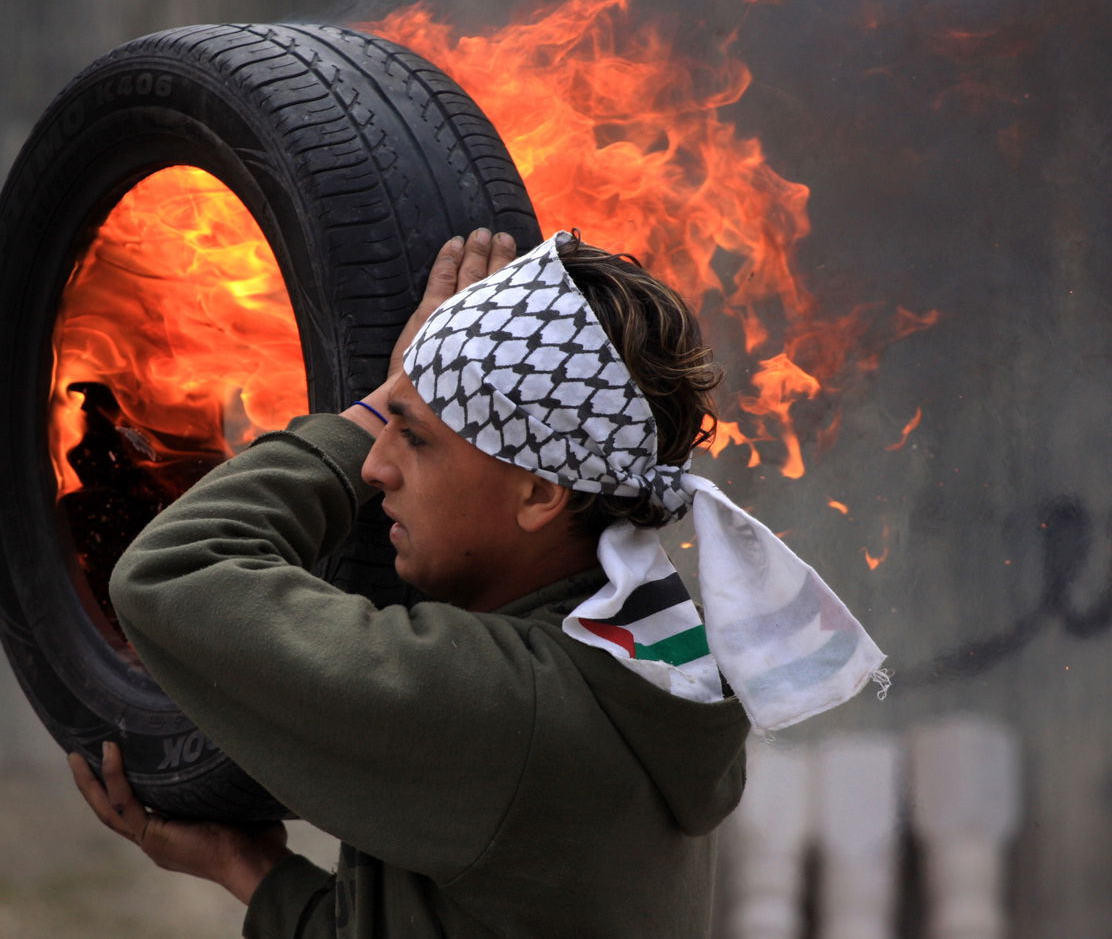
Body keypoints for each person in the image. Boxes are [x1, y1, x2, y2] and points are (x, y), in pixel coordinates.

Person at [68, 228, 884, 937]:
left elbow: (172, 573)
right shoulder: (635, 663)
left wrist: (373, 405)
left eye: (412, 438)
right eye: (390, 429)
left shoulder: (503, 713)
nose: (378, 467)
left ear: (538, 494)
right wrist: (250, 870)